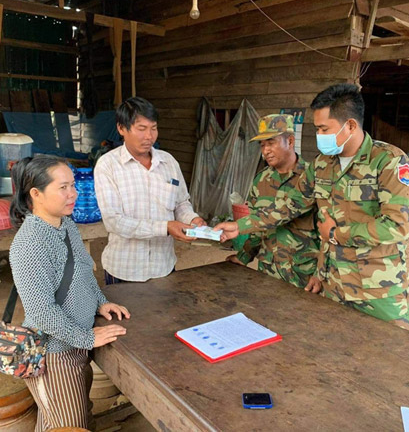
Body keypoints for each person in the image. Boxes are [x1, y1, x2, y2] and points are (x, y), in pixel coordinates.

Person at [216, 84, 409, 329]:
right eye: (317, 129)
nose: (319, 135)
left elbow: (397, 226)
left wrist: (335, 234)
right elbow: (289, 206)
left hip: (377, 290)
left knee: (388, 349)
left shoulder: (389, 162)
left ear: (350, 126)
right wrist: (240, 226)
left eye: (324, 129)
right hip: (332, 284)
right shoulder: (322, 165)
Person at [8, 155, 130, 431]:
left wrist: (100, 303)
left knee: (70, 419)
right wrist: (87, 338)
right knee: (69, 425)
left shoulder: (65, 224)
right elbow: (41, 312)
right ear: (36, 194)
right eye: (63, 187)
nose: (73, 193)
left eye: (73, 185)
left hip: (75, 345)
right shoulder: (29, 244)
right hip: (53, 355)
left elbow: (83, 272)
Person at [94, 97, 206, 283]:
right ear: (121, 128)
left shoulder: (168, 162)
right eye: (141, 128)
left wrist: (192, 219)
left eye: (153, 128)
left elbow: (181, 203)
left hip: (164, 266)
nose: (149, 136)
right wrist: (165, 227)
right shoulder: (108, 165)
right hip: (124, 270)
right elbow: (114, 221)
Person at [227, 114, 322, 292]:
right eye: (262, 145)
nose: (266, 151)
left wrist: (321, 273)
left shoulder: (313, 178)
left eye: (271, 143)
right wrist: (244, 256)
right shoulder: (261, 180)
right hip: (268, 273)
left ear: (290, 141)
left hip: (304, 277)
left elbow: (328, 233)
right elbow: (257, 226)